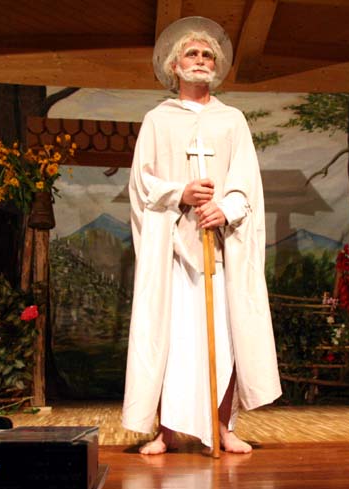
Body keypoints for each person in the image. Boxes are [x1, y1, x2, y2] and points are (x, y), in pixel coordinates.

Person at [122, 16, 281, 455]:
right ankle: (166, 431)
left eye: (208, 55)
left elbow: (246, 183)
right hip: (174, 251)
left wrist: (224, 208)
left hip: (220, 250)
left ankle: (222, 426)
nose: (201, 60)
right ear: (175, 65)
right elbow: (142, 184)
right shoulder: (158, 120)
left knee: (226, 340)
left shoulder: (232, 120)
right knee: (170, 340)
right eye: (192, 54)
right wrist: (182, 193)